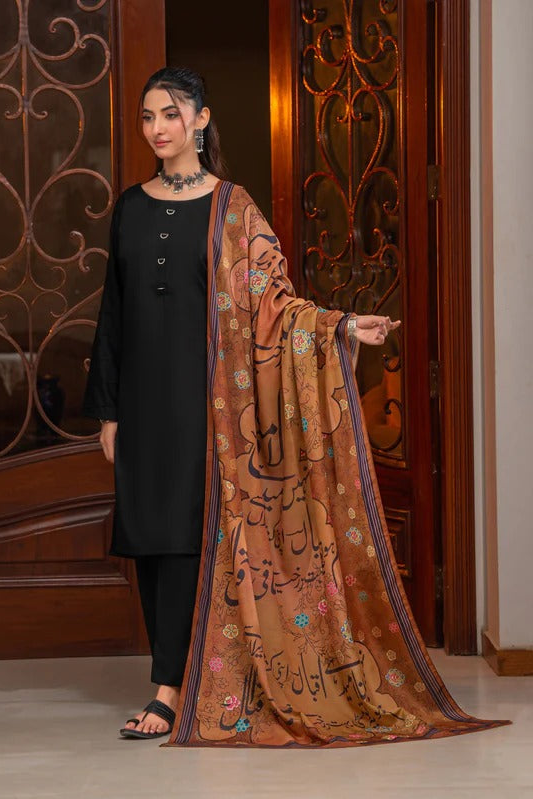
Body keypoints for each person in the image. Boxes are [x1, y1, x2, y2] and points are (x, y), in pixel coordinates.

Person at [83, 67, 508, 746]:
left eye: (171, 113)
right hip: (141, 398)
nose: (158, 128)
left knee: (190, 534)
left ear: (201, 119)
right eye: (148, 116)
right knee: (148, 536)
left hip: (211, 403)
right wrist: (108, 411)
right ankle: (177, 672)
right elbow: (113, 311)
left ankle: (170, 688)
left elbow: (274, 306)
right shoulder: (132, 206)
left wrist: (342, 326)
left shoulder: (233, 208)